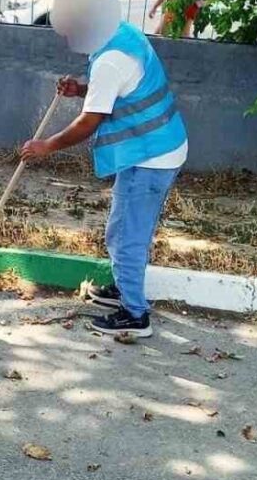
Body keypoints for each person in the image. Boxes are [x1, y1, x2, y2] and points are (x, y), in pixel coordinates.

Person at [21, 20, 188, 338]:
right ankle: (125, 288)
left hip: (150, 156)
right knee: (127, 230)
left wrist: (47, 146)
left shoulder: (109, 61)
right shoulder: (122, 33)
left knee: (127, 236)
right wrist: (83, 90)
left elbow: (89, 122)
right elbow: (119, 90)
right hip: (157, 146)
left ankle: (135, 316)